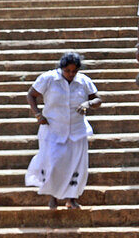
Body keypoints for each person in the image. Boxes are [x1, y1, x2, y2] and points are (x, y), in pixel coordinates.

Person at [25, 53, 101, 210]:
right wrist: (38, 114)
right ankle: (53, 197)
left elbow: (97, 99)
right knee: (54, 163)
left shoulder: (83, 81)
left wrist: (88, 103)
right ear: (61, 68)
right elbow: (31, 95)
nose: (71, 74)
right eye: (67, 71)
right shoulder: (48, 78)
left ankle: (71, 199)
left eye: (74, 71)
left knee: (76, 166)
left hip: (77, 131)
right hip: (53, 129)